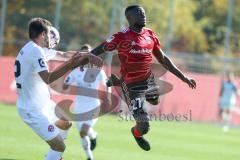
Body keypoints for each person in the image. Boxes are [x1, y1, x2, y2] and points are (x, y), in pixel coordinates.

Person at [90, 5, 196, 151]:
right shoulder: (121, 36)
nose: (143, 15)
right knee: (144, 125)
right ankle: (136, 133)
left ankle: (121, 83)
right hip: (132, 86)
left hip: (148, 79)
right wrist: (82, 59)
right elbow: (98, 49)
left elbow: (163, 59)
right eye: (139, 13)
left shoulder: (150, 35)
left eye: (144, 13)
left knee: (154, 100)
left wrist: (184, 77)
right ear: (130, 18)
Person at [14, 18, 102, 160]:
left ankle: (55, 155)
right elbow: (48, 78)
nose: (50, 37)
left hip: (43, 104)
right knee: (60, 146)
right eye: (48, 34)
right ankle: (56, 152)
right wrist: (71, 65)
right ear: (43, 34)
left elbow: (63, 55)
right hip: (32, 109)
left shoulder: (35, 48)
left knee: (66, 122)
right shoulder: (35, 51)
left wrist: (88, 55)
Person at [63, 44, 107, 160]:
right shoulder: (76, 71)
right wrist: (69, 74)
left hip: (93, 106)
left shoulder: (97, 70)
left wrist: (108, 97)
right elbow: (64, 86)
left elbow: (107, 84)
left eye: (88, 53)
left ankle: (90, 157)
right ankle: (91, 146)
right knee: (83, 134)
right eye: (83, 54)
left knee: (83, 131)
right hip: (79, 107)